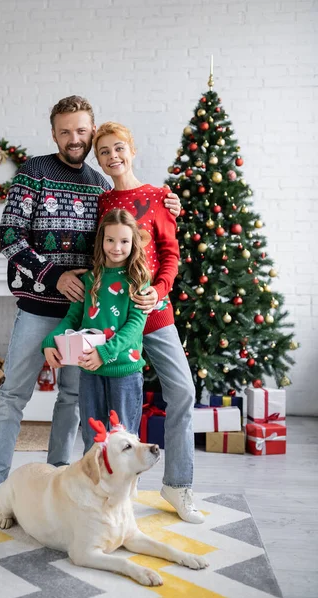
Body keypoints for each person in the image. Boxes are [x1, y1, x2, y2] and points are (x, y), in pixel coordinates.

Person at [0, 96, 180, 524]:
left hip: (88, 314)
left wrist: (171, 205)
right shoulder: (34, 172)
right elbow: (9, 236)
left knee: (73, 398)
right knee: (12, 396)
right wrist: (52, 276)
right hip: (40, 305)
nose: (74, 139)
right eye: (65, 131)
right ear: (53, 133)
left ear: (92, 132)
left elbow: (126, 234)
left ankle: (57, 477)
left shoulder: (100, 185)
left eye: (82, 131)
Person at [92, 122, 204, 524]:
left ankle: (177, 484)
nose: (112, 157)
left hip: (155, 315)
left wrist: (159, 289)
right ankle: (113, 490)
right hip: (114, 321)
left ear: (132, 149)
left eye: (118, 148)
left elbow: (170, 255)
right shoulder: (102, 202)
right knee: (114, 409)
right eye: (103, 152)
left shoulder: (160, 198)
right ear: (98, 159)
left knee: (183, 391)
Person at [42, 209, 149, 446]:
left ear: (133, 243)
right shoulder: (90, 279)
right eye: (110, 240)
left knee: (124, 440)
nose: (116, 247)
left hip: (125, 371)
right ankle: (94, 484)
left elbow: (135, 325)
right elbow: (72, 319)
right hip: (90, 372)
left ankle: (124, 485)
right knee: (93, 440)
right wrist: (51, 341)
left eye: (124, 241)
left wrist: (105, 352)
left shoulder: (139, 280)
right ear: (101, 241)